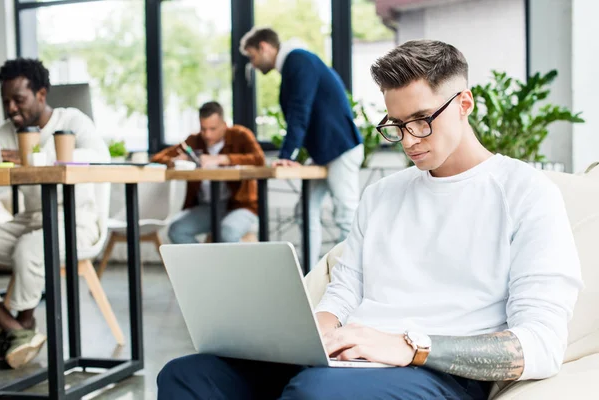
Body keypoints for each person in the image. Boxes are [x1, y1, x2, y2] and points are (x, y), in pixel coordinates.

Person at [156, 40, 583, 399]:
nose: (409, 141)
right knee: (187, 375)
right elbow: (343, 291)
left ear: (464, 103)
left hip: (435, 370)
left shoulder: (525, 192)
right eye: (396, 125)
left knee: (314, 392)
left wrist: (409, 347)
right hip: (348, 358)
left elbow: (541, 345)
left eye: (422, 121)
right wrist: (313, 334)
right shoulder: (382, 194)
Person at [0, 58, 110, 369]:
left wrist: (33, 157)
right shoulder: (6, 132)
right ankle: (17, 329)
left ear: (41, 95)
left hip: (77, 221)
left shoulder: (72, 120)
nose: (10, 108)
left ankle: (19, 327)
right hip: (32, 218)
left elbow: (100, 160)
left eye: (18, 99)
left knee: (30, 250)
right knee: (29, 242)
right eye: (5, 100)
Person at [239, 27, 364, 269]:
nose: (252, 64)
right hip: (325, 153)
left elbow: (299, 109)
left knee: (347, 215)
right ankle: (311, 275)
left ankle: (348, 277)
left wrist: (288, 155)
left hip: (340, 149)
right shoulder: (295, 62)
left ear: (264, 46)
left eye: (252, 56)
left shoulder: (298, 59)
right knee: (305, 211)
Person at [152, 101, 265, 244]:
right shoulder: (194, 141)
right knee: (177, 230)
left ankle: (235, 267)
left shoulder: (240, 135)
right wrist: (177, 161)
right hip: (208, 207)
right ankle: (205, 266)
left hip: (241, 206)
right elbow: (157, 158)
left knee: (227, 233)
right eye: (203, 129)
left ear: (224, 125)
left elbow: (259, 159)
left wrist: (222, 159)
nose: (207, 134)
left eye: (213, 129)